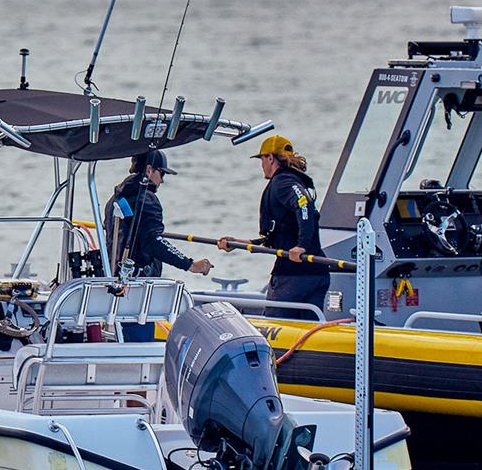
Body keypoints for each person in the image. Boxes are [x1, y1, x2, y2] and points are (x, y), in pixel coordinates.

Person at [217, 135, 330, 320]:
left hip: (293, 276)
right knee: (305, 335)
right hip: (316, 272)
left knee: (274, 329)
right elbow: (278, 236)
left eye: (261, 159)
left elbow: (304, 205)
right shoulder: (292, 180)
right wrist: (239, 243)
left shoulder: (282, 182)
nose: (261, 164)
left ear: (270, 158)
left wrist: (302, 245)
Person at [104, 149, 213, 339]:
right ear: (149, 170)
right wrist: (190, 265)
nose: (162, 180)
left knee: (126, 338)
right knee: (139, 343)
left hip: (117, 285)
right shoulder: (147, 200)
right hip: (139, 290)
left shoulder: (115, 198)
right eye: (161, 173)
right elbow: (153, 242)